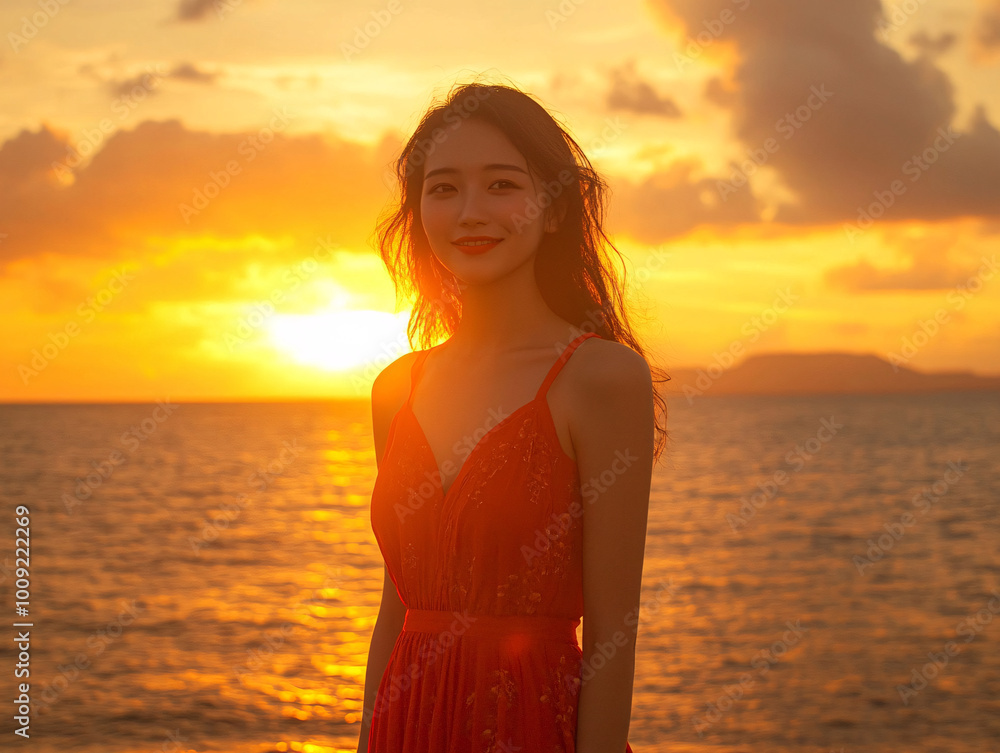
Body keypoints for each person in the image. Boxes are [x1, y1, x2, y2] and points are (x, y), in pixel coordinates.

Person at [358, 76, 669, 753]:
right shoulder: (396, 388)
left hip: (530, 726)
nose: (471, 212)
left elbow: (614, 631)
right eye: (444, 188)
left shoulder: (601, 379)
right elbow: (396, 611)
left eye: (502, 184)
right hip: (405, 730)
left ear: (554, 209)